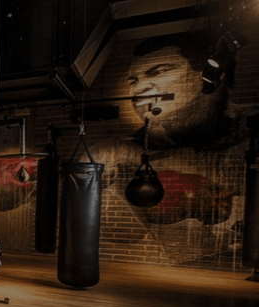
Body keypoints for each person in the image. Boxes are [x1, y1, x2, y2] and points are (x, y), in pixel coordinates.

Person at [91, 31, 257, 264]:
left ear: (212, 74)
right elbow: (121, 235)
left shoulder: (252, 129)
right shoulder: (123, 151)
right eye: (133, 81)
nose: (139, 89)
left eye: (159, 71)